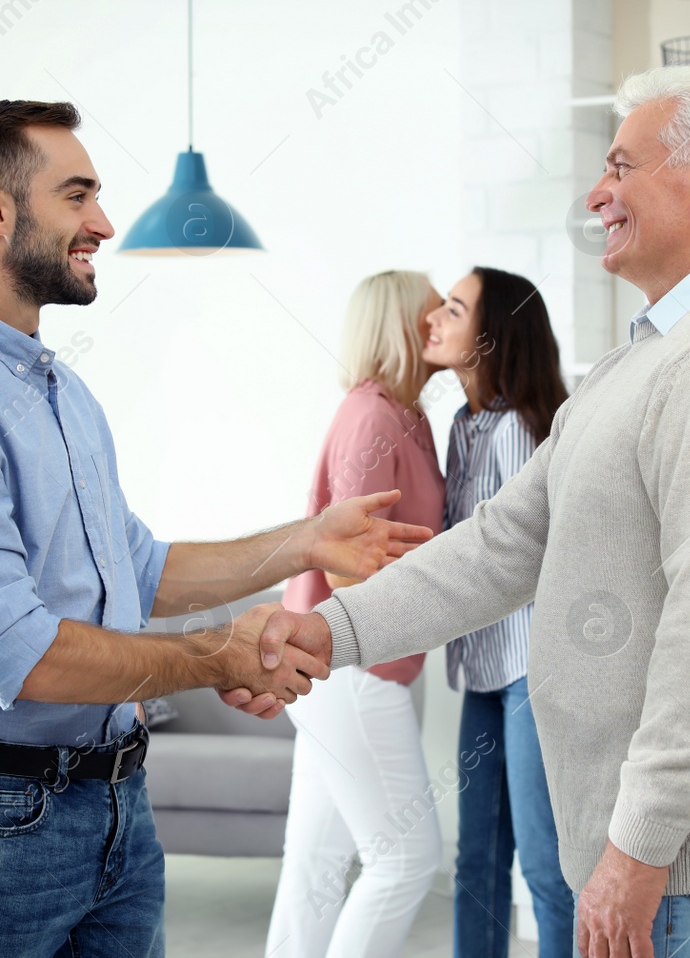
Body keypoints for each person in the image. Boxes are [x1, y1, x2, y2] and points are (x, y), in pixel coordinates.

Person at [257, 65, 690, 957]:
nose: (596, 192)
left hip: (684, 867)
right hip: (647, 854)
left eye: (621, 165)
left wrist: (637, 853)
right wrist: (326, 632)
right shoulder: (648, 358)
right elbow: (499, 546)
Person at [0, 100, 432, 958]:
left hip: (115, 805)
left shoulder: (59, 391)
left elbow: (140, 570)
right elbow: (19, 651)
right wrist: (212, 654)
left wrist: (307, 539)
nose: (103, 223)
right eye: (78, 197)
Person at [265, 270, 448, 958]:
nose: (443, 326)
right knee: (406, 860)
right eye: (432, 316)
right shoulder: (372, 415)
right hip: (354, 666)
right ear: (399, 325)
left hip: (347, 669)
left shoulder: (408, 414)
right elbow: (348, 565)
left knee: (313, 866)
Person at [421, 266, 573, 957]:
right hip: (483, 667)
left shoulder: (519, 429)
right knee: (477, 860)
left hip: (532, 673)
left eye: (454, 309)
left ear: (490, 336)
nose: (435, 319)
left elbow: (507, 562)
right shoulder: (464, 423)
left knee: (546, 867)